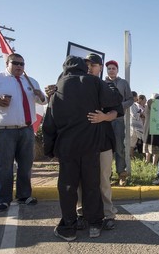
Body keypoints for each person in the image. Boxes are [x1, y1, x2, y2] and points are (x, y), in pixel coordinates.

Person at [42, 56, 118, 241]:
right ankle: (95, 224)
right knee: (92, 185)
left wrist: (49, 150)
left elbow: (49, 123)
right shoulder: (94, 82)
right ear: (84, 67)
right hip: (91, 145)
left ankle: (69, 227)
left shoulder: (58, 87)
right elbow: (115, 100)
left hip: (67, 147)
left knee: (68, 187)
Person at [0, 53, 46, 212]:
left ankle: (24, 195)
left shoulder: (31, 81)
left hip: (26, 130)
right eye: (16, 63)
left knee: (25, 165)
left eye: (22, 64)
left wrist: (40, 94)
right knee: (4, 166)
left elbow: (43, 101)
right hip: (3, 131)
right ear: (7, 63)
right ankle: (3, 199)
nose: (20, 66)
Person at [105, 60, 134, 186]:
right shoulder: (102, 83)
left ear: (117, 70)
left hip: (118, 120)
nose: (111, 70)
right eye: (109, 68)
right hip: (104, 120)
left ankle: (121, 174)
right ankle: (107, 175)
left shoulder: (123, 83)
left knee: (119, 147)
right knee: (106, 149)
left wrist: (119, 106)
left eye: (113, 68)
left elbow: (131, 100)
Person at [142, 93, 159, 165]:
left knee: (147, 144)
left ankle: (147, 161)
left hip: (147, 128)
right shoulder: (157, 105)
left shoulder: (147, 106)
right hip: (156, 128)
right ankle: (154, 163)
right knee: (156, 147)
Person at [130, 91, 144, 158]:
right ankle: (131, 157)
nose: (137, 98)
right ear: (134, 97)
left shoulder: (134, 104)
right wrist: (139, 113)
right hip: (133, 127)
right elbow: (134, 115)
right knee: (132, 143)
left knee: (134, 142)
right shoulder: (131, 104)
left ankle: (132, 156)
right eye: (136, 97)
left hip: (136, 127)